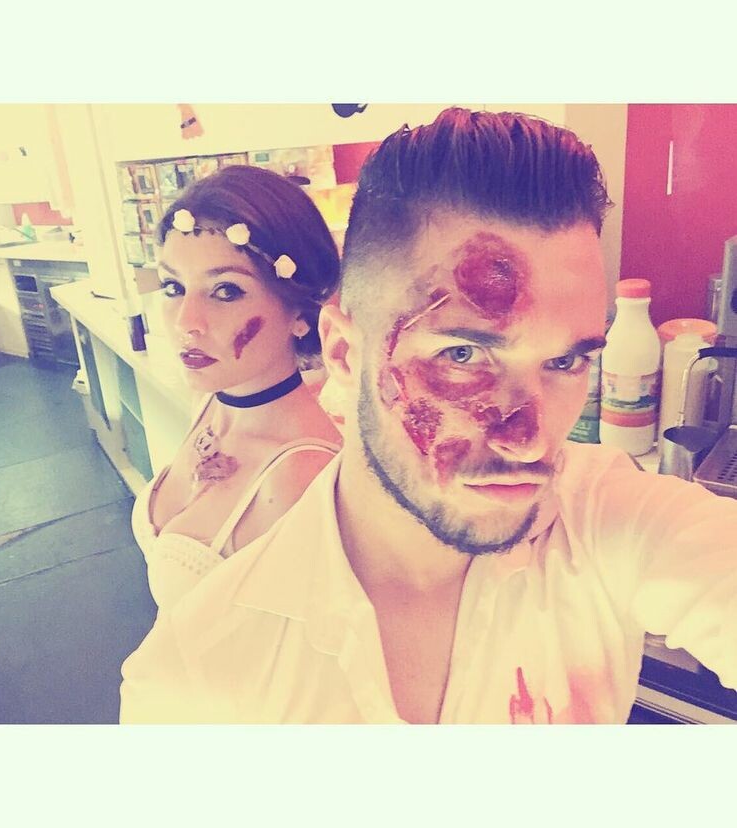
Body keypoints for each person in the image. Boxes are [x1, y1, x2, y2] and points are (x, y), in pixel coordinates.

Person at [120, 108, 737, 724]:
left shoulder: (606, 519)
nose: (530, 441)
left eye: (565, 362)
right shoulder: (195, 681)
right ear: (343, 352)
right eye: (463, 354)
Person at [129, 165, 342, 612]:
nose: (186, 322)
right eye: (173, 286)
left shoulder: (301, 477)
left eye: (226, 291)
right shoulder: (211, 399)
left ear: (300, 312)